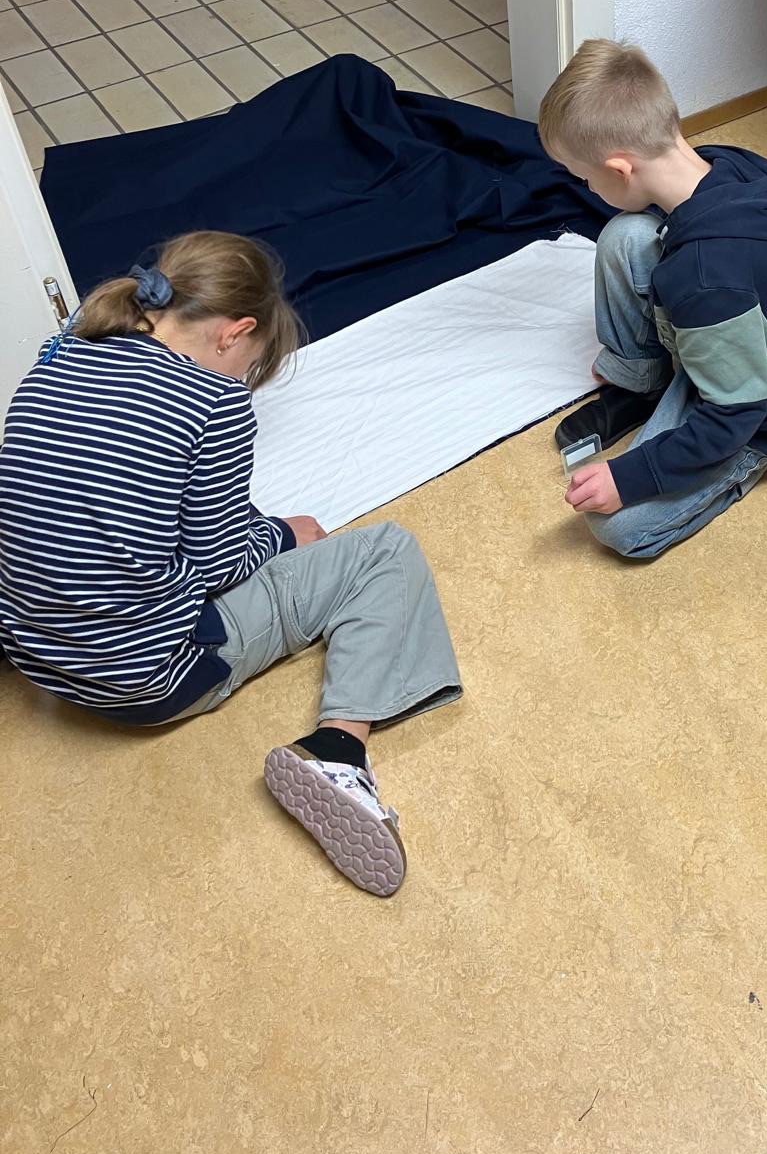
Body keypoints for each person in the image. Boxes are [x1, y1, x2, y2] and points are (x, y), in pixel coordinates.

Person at [0, 231, 460, 898]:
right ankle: (339, 751)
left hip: (38, 653)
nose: (245, 378)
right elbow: (218, 564)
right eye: (250, 363)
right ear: (233, 333)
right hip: (144, 681)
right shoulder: (214, 402)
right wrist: (279, 535)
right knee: (386, 552)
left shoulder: (65, 351)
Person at [537, 39, 767, 559]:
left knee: (618, 529)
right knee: (626, 236)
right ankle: (642, 387)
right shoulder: (729, 163)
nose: (587, 189)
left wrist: (630, 477)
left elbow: (735, 412)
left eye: (586, 179)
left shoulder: (703, 278)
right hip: (735, 339)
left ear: (619, 170)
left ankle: (732, 457)